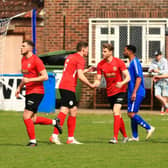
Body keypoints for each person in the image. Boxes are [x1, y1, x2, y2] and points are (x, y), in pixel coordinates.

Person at [15, 40, 62, 147]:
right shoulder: (23, 59)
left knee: (26, 116)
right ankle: (55, 122)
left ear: (30, 48)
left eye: (23, 46)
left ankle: (33, 141)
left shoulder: (36, 60)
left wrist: (30, 81)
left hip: (37, 92)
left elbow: (45, 76)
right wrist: (19, 87)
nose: (21, 48)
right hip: (28, 91)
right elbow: (25, 78)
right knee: (33, 119)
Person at [49, 41, 94, 145]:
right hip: (68, 86)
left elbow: (73, 71)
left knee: (71, 110)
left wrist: (86, 70)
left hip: (64, 85)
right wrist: (90, 85)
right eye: (87, 49)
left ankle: (69, 138)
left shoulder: (71, 57)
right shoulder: (80, 59)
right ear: (83, 49)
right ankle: (56, 136)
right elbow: (80, 76)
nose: (88, 51)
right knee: (66, 110)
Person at [93, 43, 130, 144]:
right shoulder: (100, 64)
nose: (103, 53)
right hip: (110, 92)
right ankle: (126, 137)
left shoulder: (119, 62)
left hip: (120, 90)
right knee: (118, 115)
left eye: (105, 51)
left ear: (110, 52)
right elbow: (98, 79)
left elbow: (128, 77)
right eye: (102, 51)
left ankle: (115, 138)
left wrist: (121, 83)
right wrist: (93, 84)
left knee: (116, 111)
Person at [123, 45, 155, 142]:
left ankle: (149, 127)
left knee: (130, 113)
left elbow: (139, 77)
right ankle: (135, 136)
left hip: (137, 92)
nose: (123, 52)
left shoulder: (135, 62)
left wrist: (134, 92)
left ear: (130, 51)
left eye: (125, 50)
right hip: (132, 92)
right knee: (133, 113)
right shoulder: (131, 63)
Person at [148, 50, 168, 115]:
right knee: (157, 95)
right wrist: (151, 70)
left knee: (164, 96)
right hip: (157, 80)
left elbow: (166, 72)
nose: (157, 57)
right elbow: (149, 70)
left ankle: (163, 110)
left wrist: (158, 71)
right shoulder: (153, 61)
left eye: (158, 55)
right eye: (156, 56)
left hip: (164, 80)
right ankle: (166, 106)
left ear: (161, 55)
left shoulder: (164, 61)